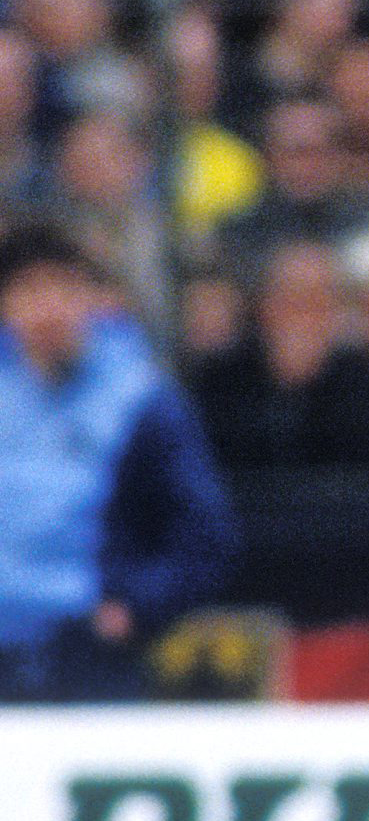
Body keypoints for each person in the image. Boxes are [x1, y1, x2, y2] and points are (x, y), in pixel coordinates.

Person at [0, 223, 237, 701]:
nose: (49, 307)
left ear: (94, 297)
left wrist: (136, 606)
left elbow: (208, 534)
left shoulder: (143, 401)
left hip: (90, 653)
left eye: (65, 288)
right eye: (31, 289)